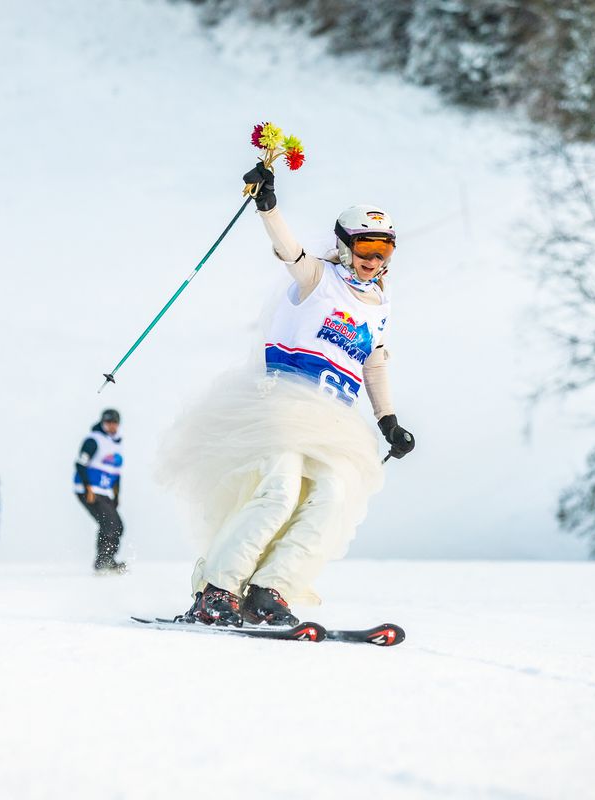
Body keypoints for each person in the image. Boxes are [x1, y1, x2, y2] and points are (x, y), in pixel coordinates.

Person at [156, 162, 417, 627]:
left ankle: (269, 590)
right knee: (278, 491)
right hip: (281, 405)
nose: (374, 259)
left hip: (332, 420)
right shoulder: (320, 280)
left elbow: (374, 360)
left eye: (384, 249)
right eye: (366, 247)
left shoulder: (380, 304)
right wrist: (268, 205)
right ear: (345, 244)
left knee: (333, 496)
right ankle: (217, 590)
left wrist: (388, 420)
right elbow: (289, 250)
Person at [74, 408, 127, 573]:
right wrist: (88, 488)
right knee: (109, 523)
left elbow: (116, 474)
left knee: (117, 525)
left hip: (104, 492)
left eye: (114, 423)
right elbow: (80, 464)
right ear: (103, 423)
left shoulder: (115, 444)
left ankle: (108, 559)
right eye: (108, 422)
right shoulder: (93, 440)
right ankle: (103, 561)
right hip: (89, 490)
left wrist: (116, 495)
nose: (111, 426)